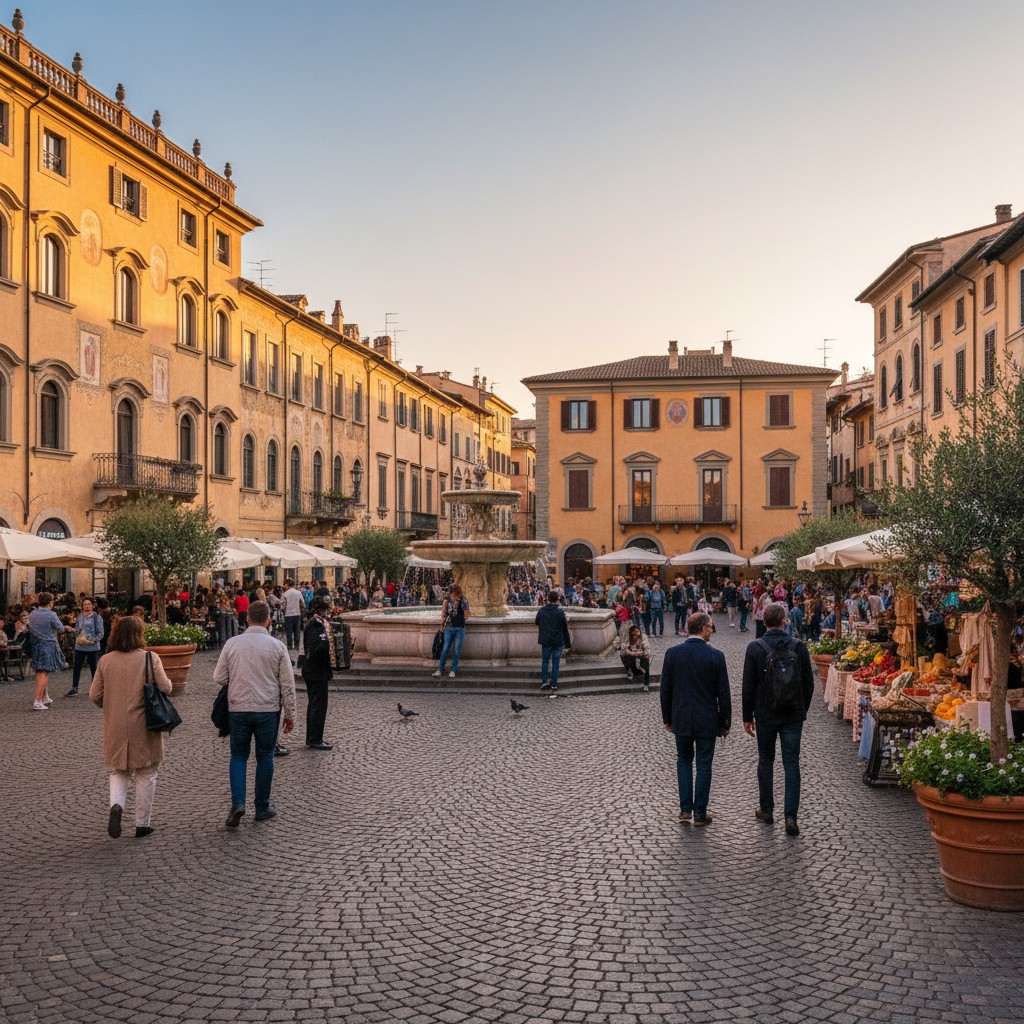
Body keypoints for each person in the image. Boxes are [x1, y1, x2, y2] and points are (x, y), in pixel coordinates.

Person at [89, 615, 174, 839]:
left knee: (119, 770)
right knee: (147, 772)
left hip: (115, 724)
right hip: (144, 724)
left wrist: (109, 704)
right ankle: (142, 824)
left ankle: (117, 805)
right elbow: (166, 687)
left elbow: (94, 695)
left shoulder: (105, 660)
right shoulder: (149, 658)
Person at [216, 600, 297, 827]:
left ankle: (238, 803)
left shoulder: (232, 643)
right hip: (267, 709)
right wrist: (290, 714)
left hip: (238, 708)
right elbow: (287, 685)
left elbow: (219, 677)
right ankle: (262, 806)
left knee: (239, 756)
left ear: (247, 618)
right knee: (265, 757)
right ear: (269, 619)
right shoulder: (278, 646)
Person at [741, 601, 815, 837]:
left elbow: (747, 686)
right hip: (793, 714)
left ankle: (767, 810)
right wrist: (802, 710)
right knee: (791, 764)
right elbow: (809, 683)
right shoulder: (798, 646)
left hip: (765, 713)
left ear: (764, 621)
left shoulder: (755, 647)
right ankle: (790, 817)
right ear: (785, 621)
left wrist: (746, 717)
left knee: (766, 760)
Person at [660, 611, 731, 826]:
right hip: (707, 719)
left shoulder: (673, 654)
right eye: (711, 627)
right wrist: (725, 721)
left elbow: (666, 690)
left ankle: (684, 810)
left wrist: (667, 717)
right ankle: (700, 813)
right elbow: (724, 693)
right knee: (703, 764)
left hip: (681, 716)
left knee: (683, 760)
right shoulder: (716, 656)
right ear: (702, 628)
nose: (712, 631)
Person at [28, 592, 74, 709]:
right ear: (50, 602)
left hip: (36, 645)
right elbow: (60, 628)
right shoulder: (51, 614)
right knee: (43, 672)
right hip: (47, 644)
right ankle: (37, 701)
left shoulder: (32, 614)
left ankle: (44, 697)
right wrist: (67, 627)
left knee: (42, 670)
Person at [66, 597, 104, 697]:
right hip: (80, 646)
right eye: (84, 604)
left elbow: (101, 633)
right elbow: (78, 629)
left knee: (94, 668)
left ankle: (94, 688)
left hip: (93, 647)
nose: (86, 606)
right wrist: (73, 632)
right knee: (77, 667)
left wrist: (93, 640)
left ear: (92, 606)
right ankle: (74, 688)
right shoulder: (80, 617)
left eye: (88, 604)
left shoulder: (97, 617)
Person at [536, 589, 571, 696]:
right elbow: (564, 627)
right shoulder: (560, 612)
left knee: (545, 661)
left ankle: (544, 681)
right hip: (558, 641)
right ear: (557, 600)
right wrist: (567, 643)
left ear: (548, 599)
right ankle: (554, 683)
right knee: (556, 662)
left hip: (546, 640)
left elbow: (537, 622)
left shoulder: (542, 610)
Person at [433, 584, 469, 679]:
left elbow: (467, 614)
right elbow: (443, 614)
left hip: (459, 628)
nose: (452, 594)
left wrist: (460, 615)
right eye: (451, 593)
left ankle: (453, 670)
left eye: (453, 592)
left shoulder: (463, 600)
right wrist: (442, 625)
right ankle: (440, 669)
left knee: (456, 650)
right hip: (449, 628)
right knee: (445, 649)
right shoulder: (446, 600)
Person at [620, 625, 651, 689]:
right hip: (632, 656)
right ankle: (629, 670)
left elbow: (647, 650)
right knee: (625, 656)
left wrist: (636, 653)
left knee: (646, 664)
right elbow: (624, 648)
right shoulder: (628, 638)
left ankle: (646, 683)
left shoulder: (643, 637)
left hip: (642, 656)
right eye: (634, 632)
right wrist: (633, 653)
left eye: (637, 631)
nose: (635, 634)